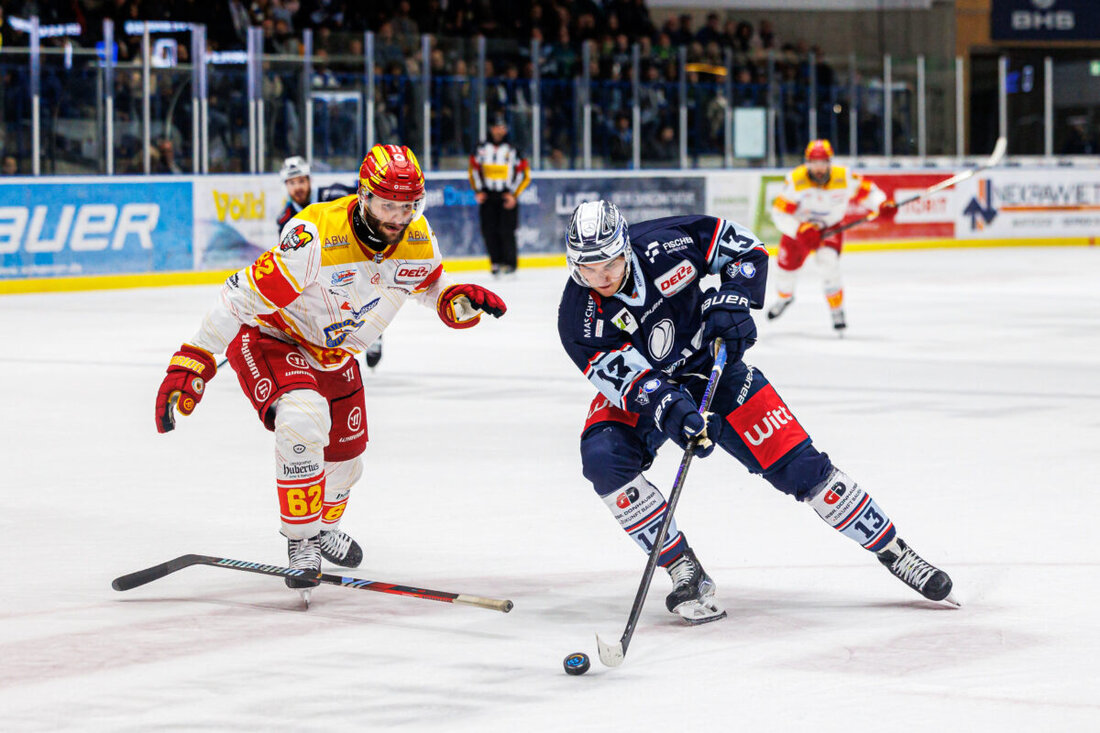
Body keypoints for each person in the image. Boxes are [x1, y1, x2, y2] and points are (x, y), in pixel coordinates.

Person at [557, 200, 954, 624]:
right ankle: (682, 568)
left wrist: (733, 299)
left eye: (610, 264)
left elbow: (746, 249)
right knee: (603, 457)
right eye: (587, 269)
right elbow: (632, 384)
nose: (601, 278)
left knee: (801, 468)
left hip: (715, 368)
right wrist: (674, 411)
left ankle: (894, 550)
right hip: (650, 389)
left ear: (626, 250)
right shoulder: (576, 319)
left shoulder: (668, 242)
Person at [155, 144, 507, 599]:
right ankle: (302, 543)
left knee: (346, 462)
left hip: (335, 354)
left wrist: (454, 300)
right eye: (387, 205)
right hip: (273, 339)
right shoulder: (314, 237)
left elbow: (429, 286)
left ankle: (322, 527)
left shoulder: (418, 236)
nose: (398, 217)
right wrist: (195, 357)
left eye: (408, 206)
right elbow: (239, 296)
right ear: (363, 196)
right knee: (303, 417)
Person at [768, 139, 897, 332]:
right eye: (814, 162)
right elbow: (779, 214)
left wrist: (881, 204)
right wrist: (799, 229)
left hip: (828, 229)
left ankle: (837, 309)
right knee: (785, 269)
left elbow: (869, 192)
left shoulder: (844, 176)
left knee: (829, 265)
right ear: (807, 163)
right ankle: (784, 298)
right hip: (799, 230)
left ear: (830, 162)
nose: (818, 167)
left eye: (823, 162)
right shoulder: (795, 180)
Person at [276, 155, 384, 368]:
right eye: (291, 183)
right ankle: (340, 356)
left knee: (364, 296)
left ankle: (375, 333)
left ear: (309, 179)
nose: (297, 187)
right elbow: (289, 255)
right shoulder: (285, 218)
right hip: (320, 268)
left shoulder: (332, 194)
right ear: (286, 186)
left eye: (300, 180)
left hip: (351, 256)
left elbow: (364, 200)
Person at [468, 116, 530, 276]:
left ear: (506, 129)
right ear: (491, 128)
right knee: (489, 230)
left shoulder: (514, 149)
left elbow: (524, 173)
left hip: (507, 195)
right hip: (488, 195)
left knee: (507, 230)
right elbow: (473, 170)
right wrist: (478, 191)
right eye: (496, 126)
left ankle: (510, 264)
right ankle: (495, 262)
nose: (498, 130)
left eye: (502, 127)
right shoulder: (480, 148)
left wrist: (514, 195)